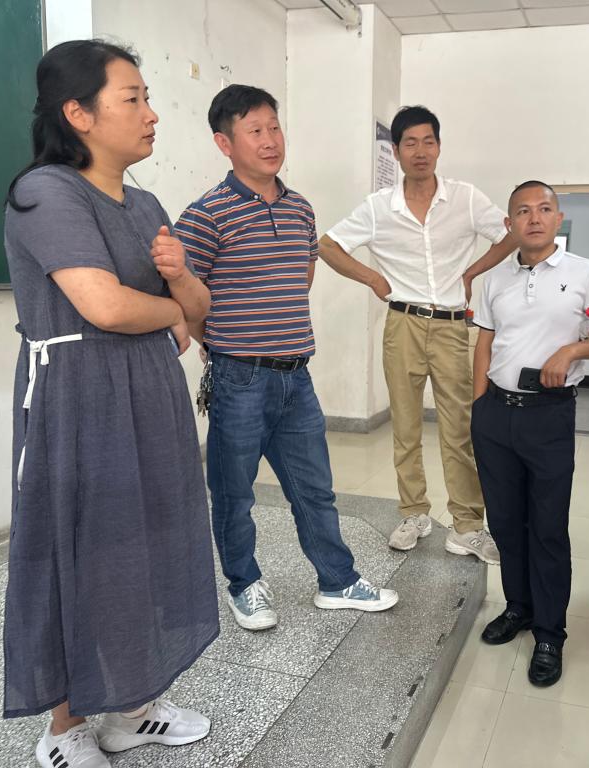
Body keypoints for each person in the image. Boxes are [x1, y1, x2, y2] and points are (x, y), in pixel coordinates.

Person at [3, 40, 219, 768]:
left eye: (148, 98)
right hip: (78, 398)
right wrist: (170, 311)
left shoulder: (147, 203)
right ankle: (63, 727)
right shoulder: (46, 192)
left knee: (142, 544)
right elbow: (105, 307)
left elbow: (198, 311)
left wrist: (179, 281)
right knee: (79, 549)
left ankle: (132, 708)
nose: (152, 114)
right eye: (134, 98)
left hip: (148, 394)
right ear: (79, 113)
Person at [174, 85, 398, 633]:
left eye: (274, 127)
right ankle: (244, 584)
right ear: (225, 143)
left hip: (297, 377)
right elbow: (185, 295)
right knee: (233, 492)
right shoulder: (206, 214)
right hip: (239, 377)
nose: (270, 140)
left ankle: (337, 581)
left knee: (314, 488)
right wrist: (218, 341)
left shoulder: (300, 209)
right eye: (255, 130)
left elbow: (302, 275)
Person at [318, 106, 517, 562]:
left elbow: (508, 236)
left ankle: (467, 525)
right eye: (410, 143)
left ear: (439, 147)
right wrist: (372, 278)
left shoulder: (465, 198)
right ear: (396, 151)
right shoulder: (378, 207)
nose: (420, 151)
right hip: (402, 324)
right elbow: (327, 245)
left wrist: (473, 271)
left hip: (452, 327)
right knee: (405, 426)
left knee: (459, 429)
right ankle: (414, 513)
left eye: (429, 141)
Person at [472, 181, 589, 687]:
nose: (533, 218)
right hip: (496, 414)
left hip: (549, 415)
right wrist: (478, 407)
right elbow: (485, 343)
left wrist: (571, 351)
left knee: (548, 528)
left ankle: (550, 632)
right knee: (505, 522)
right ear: (509, 224)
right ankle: (519, 607)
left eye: (543, 209)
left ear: (558, 218)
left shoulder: (586, 273)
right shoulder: (493, 279)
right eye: (522, 211)